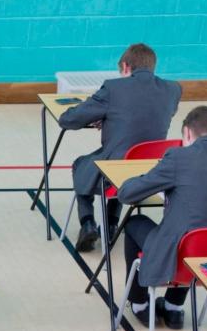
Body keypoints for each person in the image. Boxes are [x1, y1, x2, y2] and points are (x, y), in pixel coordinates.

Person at [117, 105, 207, 330]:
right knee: (197, 226)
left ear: (187, 133)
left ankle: (140, 303)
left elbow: (127, 194)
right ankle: (174, 308)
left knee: (136, 224)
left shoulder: (178, 157)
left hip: (186, 259)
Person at [58, 43, 181, 253]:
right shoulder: (173, 90)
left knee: (81, 164)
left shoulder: (114, 88)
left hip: (115, 168)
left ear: (125, 66)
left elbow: (71, 120)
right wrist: (111, 117)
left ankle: (87, 222)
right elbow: (147, 116)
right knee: (127, 163)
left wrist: (105, 114)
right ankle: (113, 223)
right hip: (150, 171)